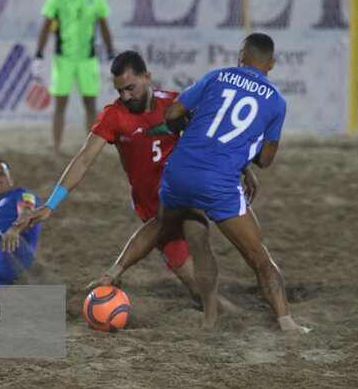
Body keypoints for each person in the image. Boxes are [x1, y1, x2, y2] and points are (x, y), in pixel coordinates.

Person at [84, 33, 310, 333]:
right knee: (258, 255)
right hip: (219, 185)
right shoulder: (277, 102)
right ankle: (286, 321)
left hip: (178, 173)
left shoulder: (216, 77)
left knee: (161, 222)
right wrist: (245, 153)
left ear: (240, 56)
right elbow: (266, 160)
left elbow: (173, 113)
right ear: (272, 64)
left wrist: (191, 127)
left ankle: (114, 271)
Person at [18, 50, 244, 311]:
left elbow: (212, 138)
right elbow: (82, 161)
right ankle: (236, 316)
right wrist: (50, 204)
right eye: (119, 91)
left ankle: (114, 273)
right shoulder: (113, 116)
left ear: (147, 77)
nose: (125, 97)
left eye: (130, 88)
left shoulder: (174, 104)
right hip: (152, 208)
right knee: (200, 290)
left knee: (246, 241)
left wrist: (244, 171)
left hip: (188, 194)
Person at [32, 0, 115, 155]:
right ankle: (56, 147)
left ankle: (90, 149)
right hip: (64, 60)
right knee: (60, 105)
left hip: (88, 59)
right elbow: (46, 26)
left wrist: (111, 52)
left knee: (90, 105)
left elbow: (103, 26)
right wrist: (38, 54)